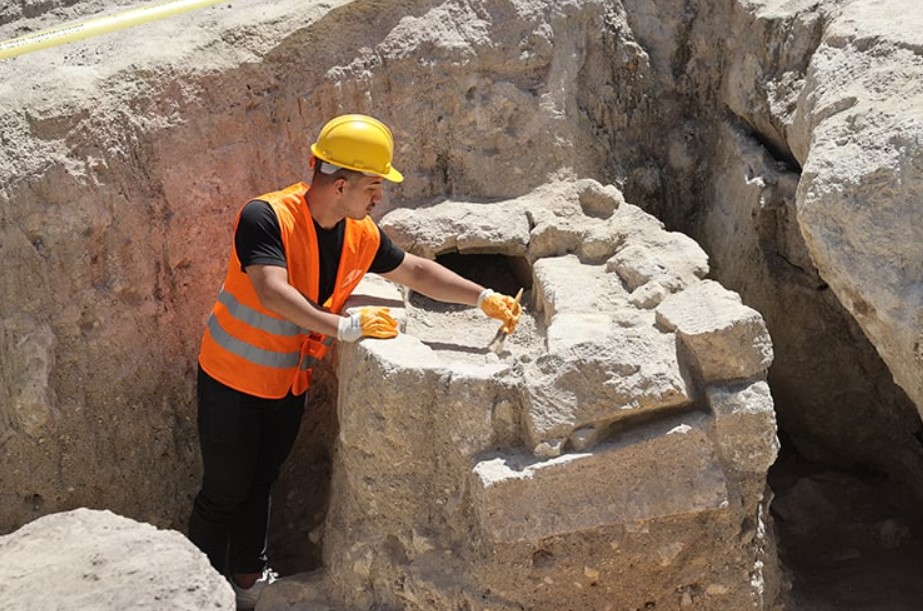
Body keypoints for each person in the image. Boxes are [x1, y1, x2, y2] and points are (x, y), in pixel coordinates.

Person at [187, 113, 522, 609]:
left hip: (287, 384)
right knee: (223, 493)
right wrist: (343, 326)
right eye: (373, 185)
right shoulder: (266, 217)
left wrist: (483, 297)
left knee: (260, 482)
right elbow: (272, 291)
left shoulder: (358, 233)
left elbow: (416, 271)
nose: (378, 196)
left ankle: (247, 581)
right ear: (340, 184)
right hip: (232, 382)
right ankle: (194, 591)